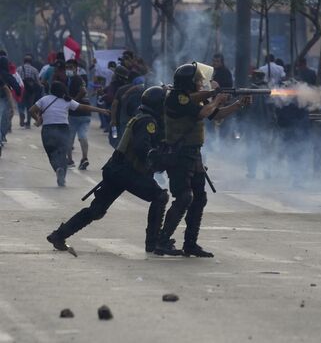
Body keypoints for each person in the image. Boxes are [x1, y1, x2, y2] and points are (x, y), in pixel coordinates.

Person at [45, 86, 172, 254]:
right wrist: (161, 159)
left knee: (96, 210)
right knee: (160, 196)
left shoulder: (141, 117)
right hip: (127, 172)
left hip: (116, 169)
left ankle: (59, 235)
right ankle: (153, 243)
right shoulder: (148, 122)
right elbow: (143, 149)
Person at [154, 63, 249, 257]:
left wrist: (238, 104)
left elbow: (216, 115)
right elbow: (203, 113)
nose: (201, 83)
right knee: (184, 197)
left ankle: (191, 244)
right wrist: (216, 98)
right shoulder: (176, 98)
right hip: (179, 154)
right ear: (189, 82)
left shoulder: (194, 99)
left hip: (193, 154)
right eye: (198, 81)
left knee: (199, 199)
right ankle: (162, 241)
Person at [29, 81, 108, 186]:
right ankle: (62, 175)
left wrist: (38, 119)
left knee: (51, 152)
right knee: (62, 153)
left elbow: (31, 110)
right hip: (64, 129)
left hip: (48, 129)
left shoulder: (44, 99)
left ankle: (58, 169)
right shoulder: (67, 101)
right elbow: (84, 107)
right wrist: (101, 110)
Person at [64, 59, 90, 169]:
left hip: (76, 113)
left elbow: (83, 91)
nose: (68, 69)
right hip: (85, 113)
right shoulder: (75, 79)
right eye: (67, 67)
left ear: (76, 68)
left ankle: (70, 160)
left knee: (69, 137)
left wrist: (73, 102)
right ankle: (84, 158)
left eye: (70, 67)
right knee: (82, 136)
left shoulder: (76, 79)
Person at [17, 54, 42, 129]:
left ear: (24, 61)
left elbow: (16, 80)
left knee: (20, 104)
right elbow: (37, 82)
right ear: (31, 62)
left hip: (21, 90)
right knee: (30, 106)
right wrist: (41, 86)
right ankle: (28, 123)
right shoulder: (34, 70)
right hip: (31, 91)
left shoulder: (19, 69)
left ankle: (21, 114)